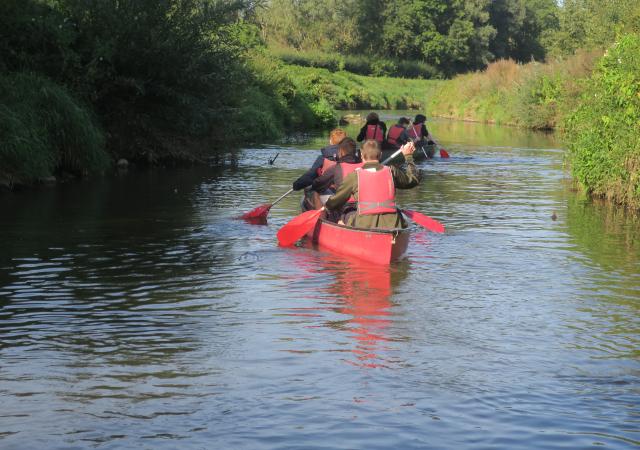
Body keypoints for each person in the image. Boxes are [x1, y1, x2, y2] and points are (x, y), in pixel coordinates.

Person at [324, 139, 420, 229]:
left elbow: (335, 201)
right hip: (393, 223)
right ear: (381, 155)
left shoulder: (354, 176)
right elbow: (414, 180)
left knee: (343, 215)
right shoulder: (392, 171)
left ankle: (342, 226)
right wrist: (408, 157)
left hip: (364, 223)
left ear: (361, 155)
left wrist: (326, 207)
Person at [307, 138, 363, 215]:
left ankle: (321, 219)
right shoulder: (364, 167)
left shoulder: (336, 168)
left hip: (344, 206)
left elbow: (318, 184)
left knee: (314, 192)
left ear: (341, 152)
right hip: (362, 205)